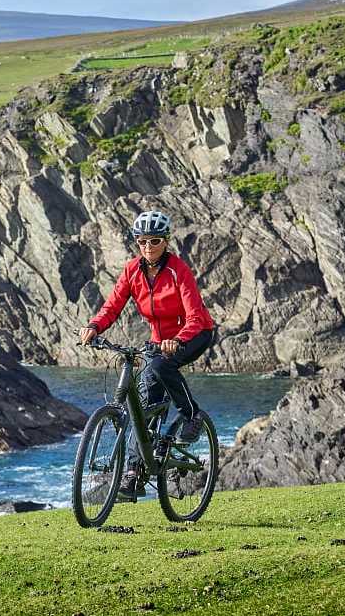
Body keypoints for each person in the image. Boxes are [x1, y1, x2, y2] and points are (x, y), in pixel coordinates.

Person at [78, 210, 215, 495]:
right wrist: (95, 326)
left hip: (195, 333)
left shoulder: (178, 270)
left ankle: (191, 416)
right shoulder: (132, 270)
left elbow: (194, 315)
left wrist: (177, 339)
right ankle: (132, 473)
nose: (148, 247)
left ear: (165, 241)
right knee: (141, 405)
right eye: (142, 242)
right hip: (159, 340)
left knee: (162, 367)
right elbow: (113, 305)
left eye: (154, 241)